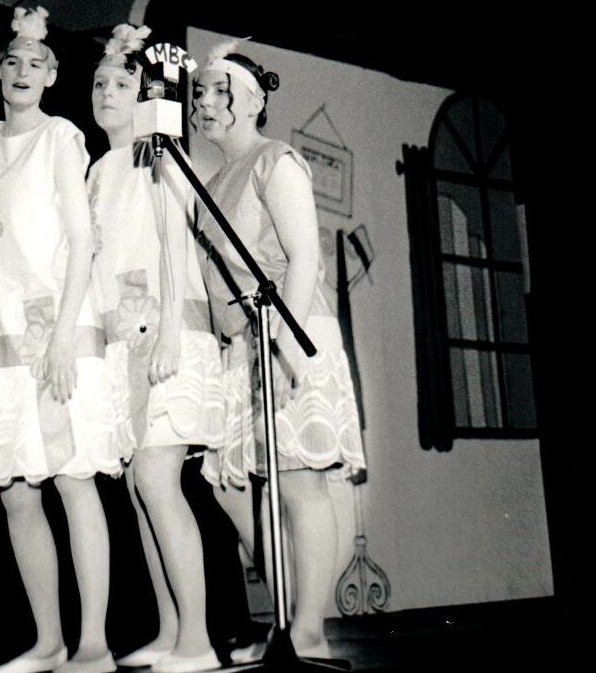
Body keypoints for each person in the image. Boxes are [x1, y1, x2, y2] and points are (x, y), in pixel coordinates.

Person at [190, 42, 367, 660]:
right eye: (199, 93)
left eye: (218, 91)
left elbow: (304, 256)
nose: (203, 104)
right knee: (231, 486)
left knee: (296, 482)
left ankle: (307, 631)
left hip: (290, 331)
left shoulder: (277, 161)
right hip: (243, 343)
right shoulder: (207, 182)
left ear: (251, 101)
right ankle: (289, 617)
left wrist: (287, 347)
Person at [0, 7, 121, 673]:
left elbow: (82, 240)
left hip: (58, 326)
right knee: (18, 490)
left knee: (71, 478)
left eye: (37, 64)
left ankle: (93, 642)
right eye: (13, 62)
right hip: (2, 329)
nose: (23, 73)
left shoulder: (61, 136)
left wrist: (61, 337)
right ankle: (49, 638)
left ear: (53, 76)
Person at [87, 24, 225, 673]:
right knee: (141, 488)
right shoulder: (99, 168)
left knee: (156, 476)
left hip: (169, 330)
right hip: (123, 339)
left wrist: (170, 330)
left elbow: (174, 242)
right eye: (98, 83)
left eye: (119, 83)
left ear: (142, 92)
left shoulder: (156, 150)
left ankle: (198, 636)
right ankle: (171, 630)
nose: (106, 92)